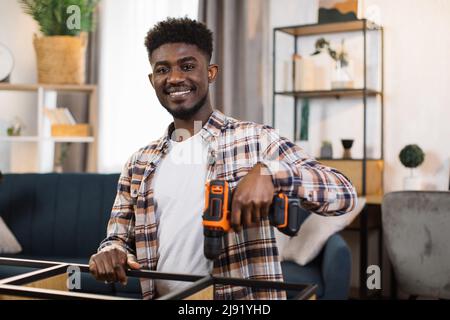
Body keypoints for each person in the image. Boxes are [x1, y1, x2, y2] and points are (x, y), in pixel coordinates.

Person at [89, 17, 357, 300]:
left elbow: (344, 194)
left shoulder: (256, 140)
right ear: (152, 80)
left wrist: (271, 173)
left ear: (211, 72)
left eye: (188, 66)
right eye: (163, 69)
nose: (175, 78)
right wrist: (110, 253)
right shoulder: (138, 164)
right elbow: (118, 239)